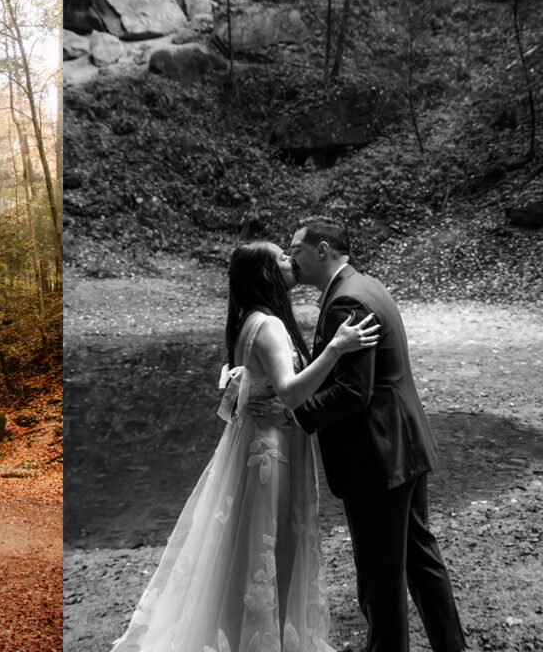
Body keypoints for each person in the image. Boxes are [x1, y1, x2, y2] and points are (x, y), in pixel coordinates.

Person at [111, 241, 380, 652]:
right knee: (266, 546)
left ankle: (245, 637)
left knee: (248, 548)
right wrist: (337, 347)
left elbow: (254, 385)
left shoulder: (249, 320)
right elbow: (289, 392)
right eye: (281, 259)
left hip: (259, 444)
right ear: (267, 275)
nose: (290, 262)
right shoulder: (269, 325)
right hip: (272, 450)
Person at [250, 217, 466, 652]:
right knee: (419, 558)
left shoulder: (344, 303)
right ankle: (452, 646)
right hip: (403, 443)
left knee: (379, 573)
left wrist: (295, 415)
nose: (291, 257)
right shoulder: (366, 285)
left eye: (297, 249)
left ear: (323, 250)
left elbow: (354, 391)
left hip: (378, 454)